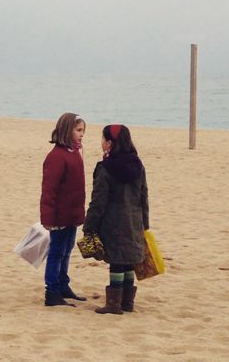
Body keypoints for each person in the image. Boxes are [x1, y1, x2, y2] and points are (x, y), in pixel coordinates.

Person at [83, 124, 149, 314]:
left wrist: (90, 225)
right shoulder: (137, 165)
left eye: (103, 139)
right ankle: (127, 302)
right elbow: (144, 196)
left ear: (110, 143)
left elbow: (98, 201)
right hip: (134, 220)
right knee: (128, 261)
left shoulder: (105, 168)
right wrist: (145, 223)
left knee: (116, 263)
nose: (102, 143)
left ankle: (113, 304)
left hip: (113, 222)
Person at [40, 112, 87, 307]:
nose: (81, 134)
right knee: (56, 252)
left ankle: (62, 284)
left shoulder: (74, 152)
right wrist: (47, 218)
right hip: (59, 215)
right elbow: (48, 190)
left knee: (67, 250)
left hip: (72, 213)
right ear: (67, 130)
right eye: (78, 130)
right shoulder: (56, 156)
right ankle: (51, 291)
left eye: (83, 131)